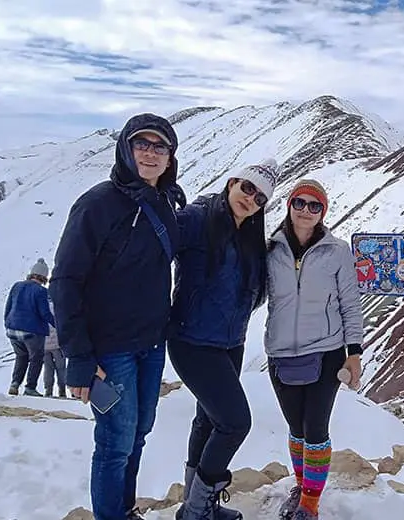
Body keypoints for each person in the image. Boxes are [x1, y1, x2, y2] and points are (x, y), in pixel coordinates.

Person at [49, 113, 185, 520]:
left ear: (170, 156)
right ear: (126, 149)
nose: (150, 152)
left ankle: (124, 510)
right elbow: (66, 281)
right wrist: (79, 358)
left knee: (138, 434)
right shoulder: (98, 203)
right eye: (141, 144)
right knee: (114, 443)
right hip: (110, 352)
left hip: (150, 346)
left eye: (159, 146)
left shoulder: (164, 202)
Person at [168, 159, 277, 520]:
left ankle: (197, 504)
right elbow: (153, 249)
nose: (251, 199)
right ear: (232, 182)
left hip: (230, 343)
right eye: (247, 188)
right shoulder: (197, 218)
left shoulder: (249, 237)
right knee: (235, 423)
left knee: (209, 420)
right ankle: (196, 511)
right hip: (192, 341)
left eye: (260, 197)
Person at [264, 179, 364, 520]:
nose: (306, 210)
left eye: (314, 205)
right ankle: (302, 484)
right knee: (296, 429)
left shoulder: (336, 252)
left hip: (326, 352)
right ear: (289, 206)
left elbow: (351, 304)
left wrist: (354, 353)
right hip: (280, 354)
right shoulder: (270, 249)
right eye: (300, 203)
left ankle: (309, 503)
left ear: (323, 212)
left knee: (315, 429)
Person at [4, 258, 56, 396]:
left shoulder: (16, 286)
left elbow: (8, 307)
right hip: (32, 332)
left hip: (13, 330)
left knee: (21, 356)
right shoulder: (40, 291)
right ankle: (30, 388)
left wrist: (7, 324)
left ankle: (14, 384)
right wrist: (58, 325)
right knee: (36, 358)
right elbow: (45, 313)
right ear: (44, 277)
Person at [43, 325, 67, 398]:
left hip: (44, 345)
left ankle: (48, 390)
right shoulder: (59, 313)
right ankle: (62, 390)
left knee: (48, 368)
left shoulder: (41, 313)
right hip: (58, 345)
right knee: (61, 368)